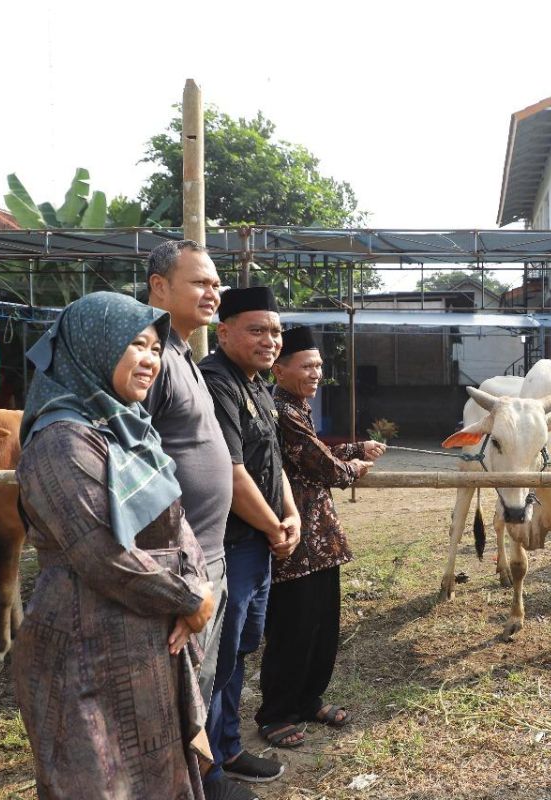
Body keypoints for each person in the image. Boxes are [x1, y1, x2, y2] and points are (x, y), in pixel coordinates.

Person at [13, 292, 215, 799]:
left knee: (158, 775)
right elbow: (99, 551)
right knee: (100, 780)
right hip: (86, 652)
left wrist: (197, 580)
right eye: (135, 345)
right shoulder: (61, 439)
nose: (150, 359)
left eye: (155, 348)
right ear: (93, 349)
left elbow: (176, 517)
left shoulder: (129, 431)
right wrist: (189, 599)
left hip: (146, 642)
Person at [144, 241, 248, 800]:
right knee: (177, 685)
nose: (213, 293)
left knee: (201, 679)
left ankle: (201, 775)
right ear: (159, 287)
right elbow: (138, 464)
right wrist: (175, 571)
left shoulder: (185, 351)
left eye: (215, 285)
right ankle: (184, 783)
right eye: (199, 283)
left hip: (213, 550)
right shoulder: (151, 356)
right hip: (182, 560)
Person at [254, 326, 384, 745]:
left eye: (320, 366)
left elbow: (314, 454)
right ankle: (275, 714)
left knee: (322, 628)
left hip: (321, 543)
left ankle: (308, 700)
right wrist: (354, 468)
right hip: (295, 541)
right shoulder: (281, 412)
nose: (316, 373)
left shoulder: (297, 410)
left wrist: (355, 448)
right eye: (308, 366)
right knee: (292, 629)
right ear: (279, 370)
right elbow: (323, 467)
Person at [201, 286, 301, 785]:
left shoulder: (258, 383)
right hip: (227, 544)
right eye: (257, 329)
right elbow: (231, 472)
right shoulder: (214, 381)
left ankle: (230, 747)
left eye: (276, 331)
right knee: (216, 657)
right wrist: (271, 524)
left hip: (258, 540)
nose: (271, 340)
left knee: (240, 648)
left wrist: (291, 515)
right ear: (224, 332)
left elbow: (271, 461)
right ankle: (208, 768)